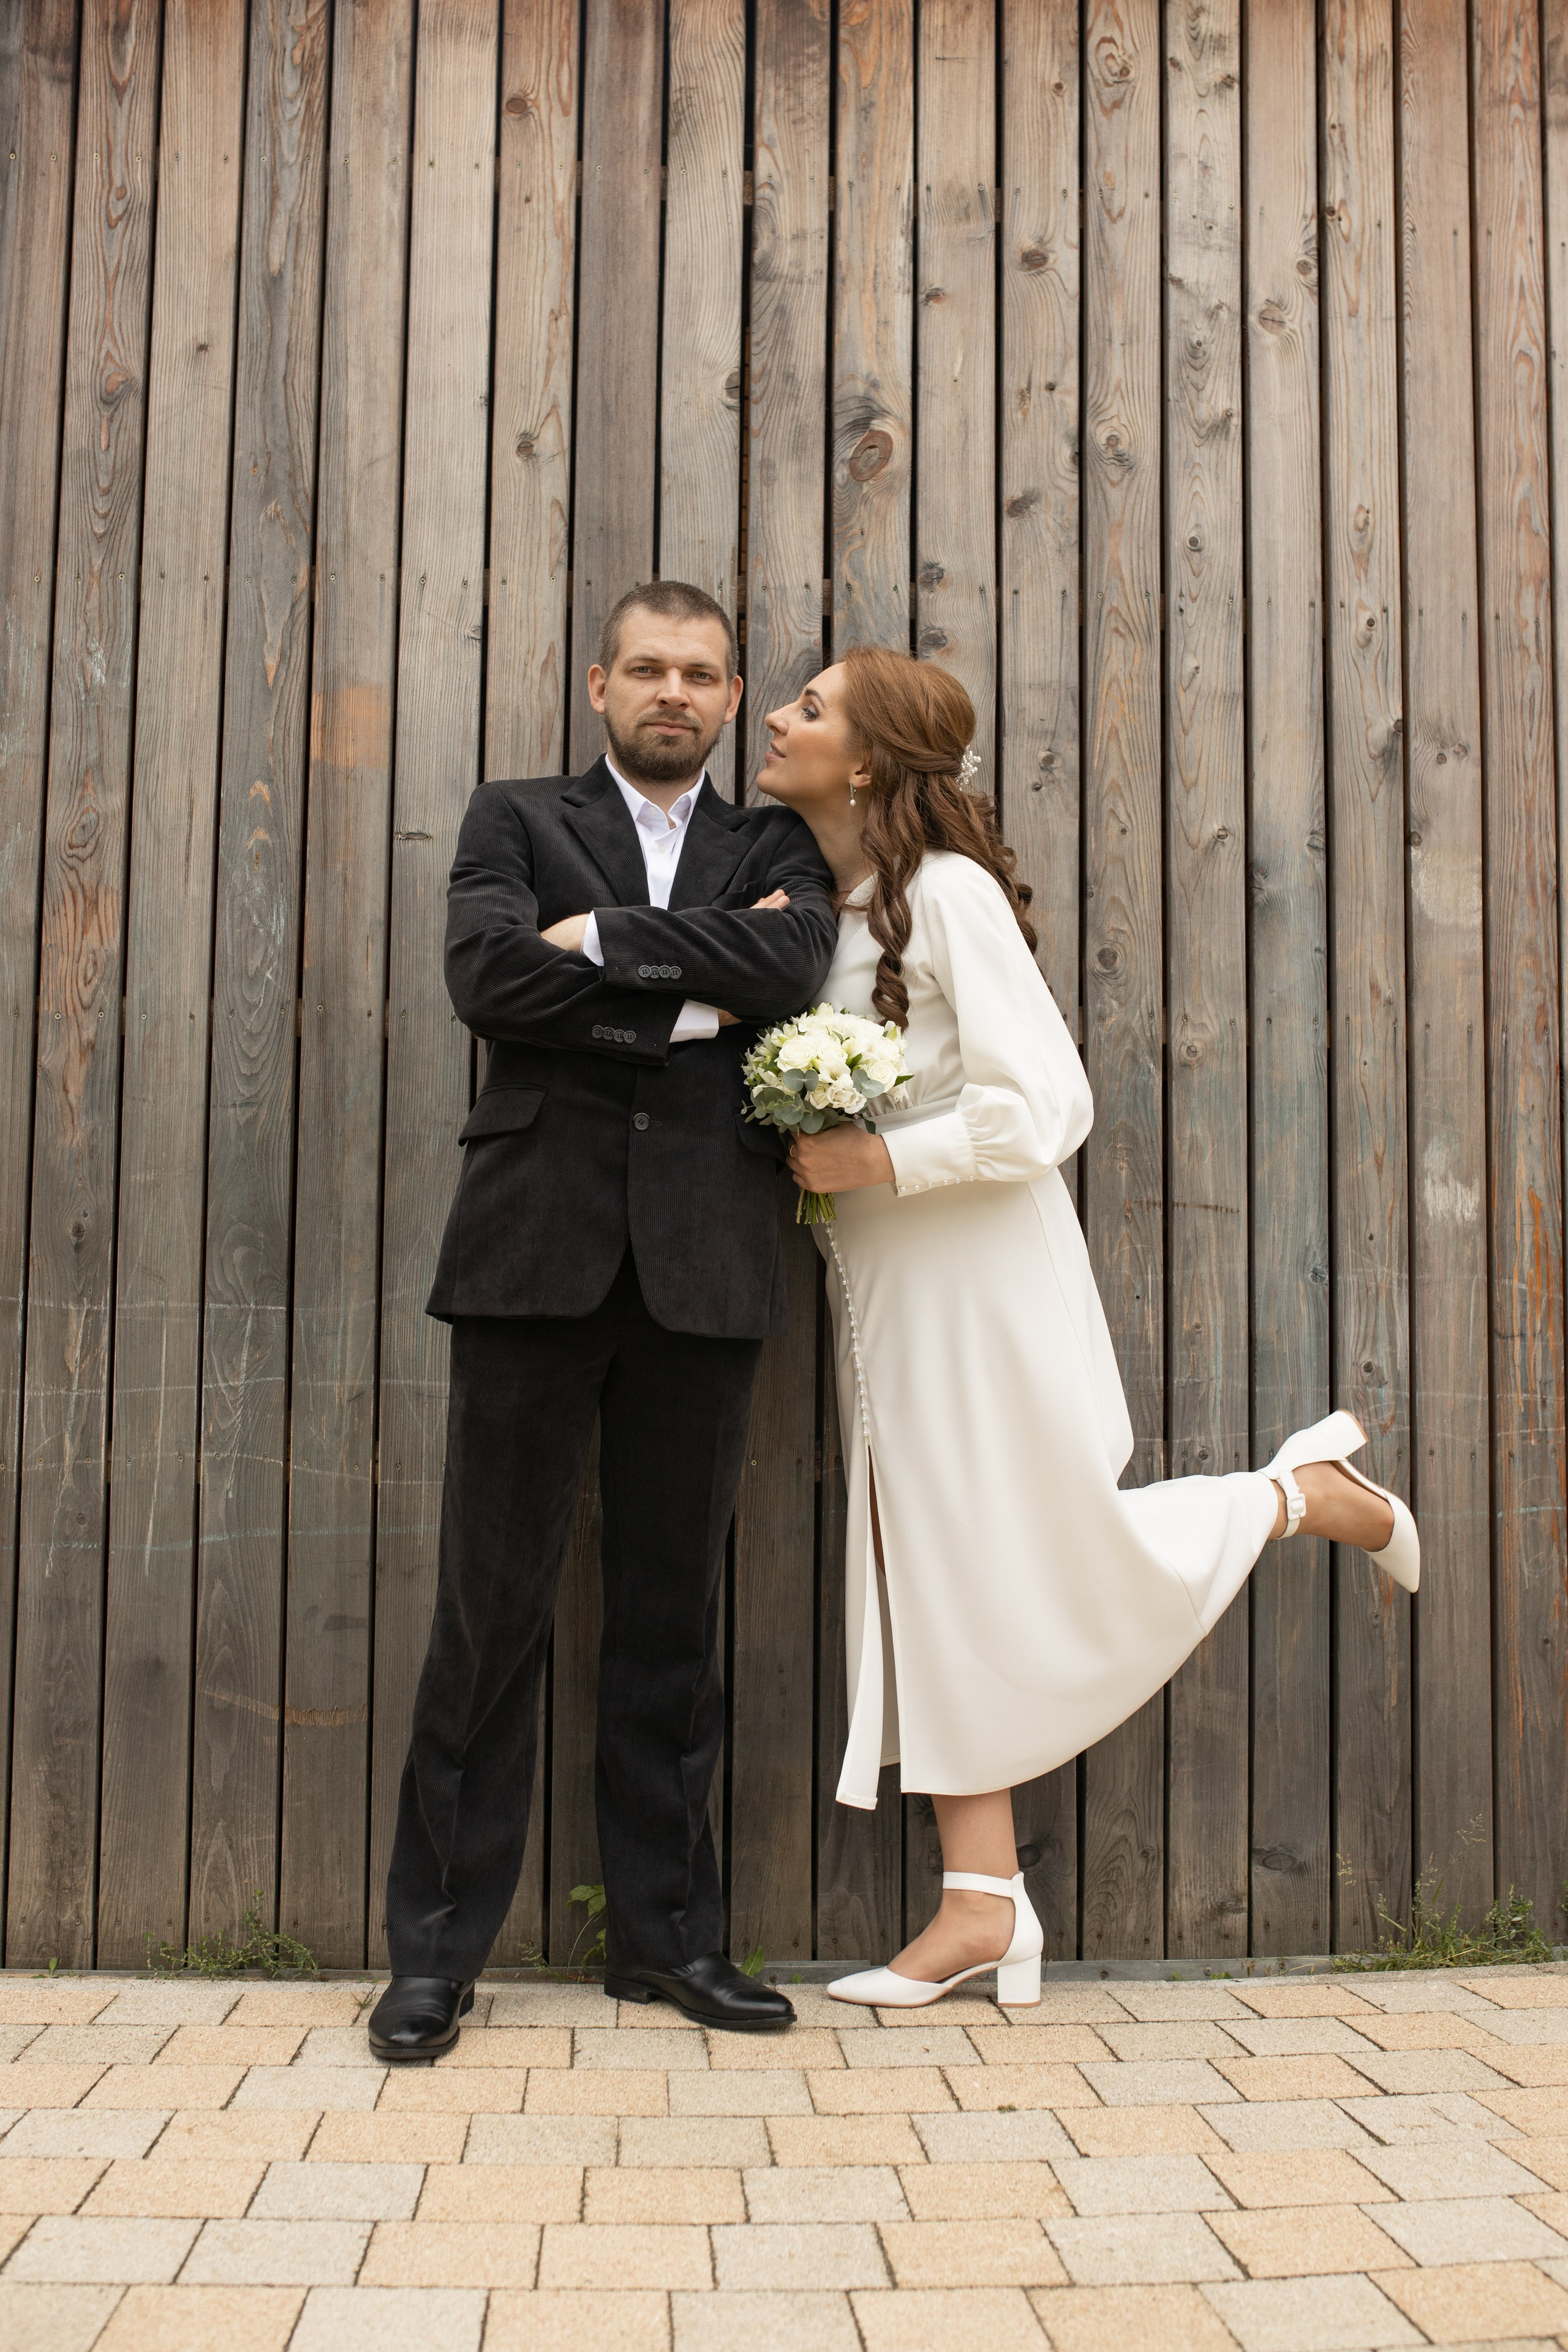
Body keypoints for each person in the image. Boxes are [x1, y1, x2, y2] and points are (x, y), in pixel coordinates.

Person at [756, 645, 1420, 2010]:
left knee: (1037, 1555)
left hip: (977, 1277)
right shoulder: (838, 902)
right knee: (936, 1570)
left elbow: (1048, 1105)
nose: (777, 716)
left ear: (868, 759)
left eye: (809, 708)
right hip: (885, 1290)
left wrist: (879, 1163)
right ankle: (980, 1905)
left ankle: (1298, 1495)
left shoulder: (943, 895)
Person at [369, 581, 836, 2059]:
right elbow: (484, 978)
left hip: (701, 1267)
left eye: (701, 674)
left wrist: (599, 947)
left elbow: (789, 966)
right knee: (485, 1616)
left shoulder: (773, 840)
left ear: (725, 690)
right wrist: (687, 993)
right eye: (647, 670)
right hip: (528, 1260)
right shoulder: (511, 818)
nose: (674, 695)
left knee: (666, 1620)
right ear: (597, 685)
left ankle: (668, 1941)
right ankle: (433, 1956)